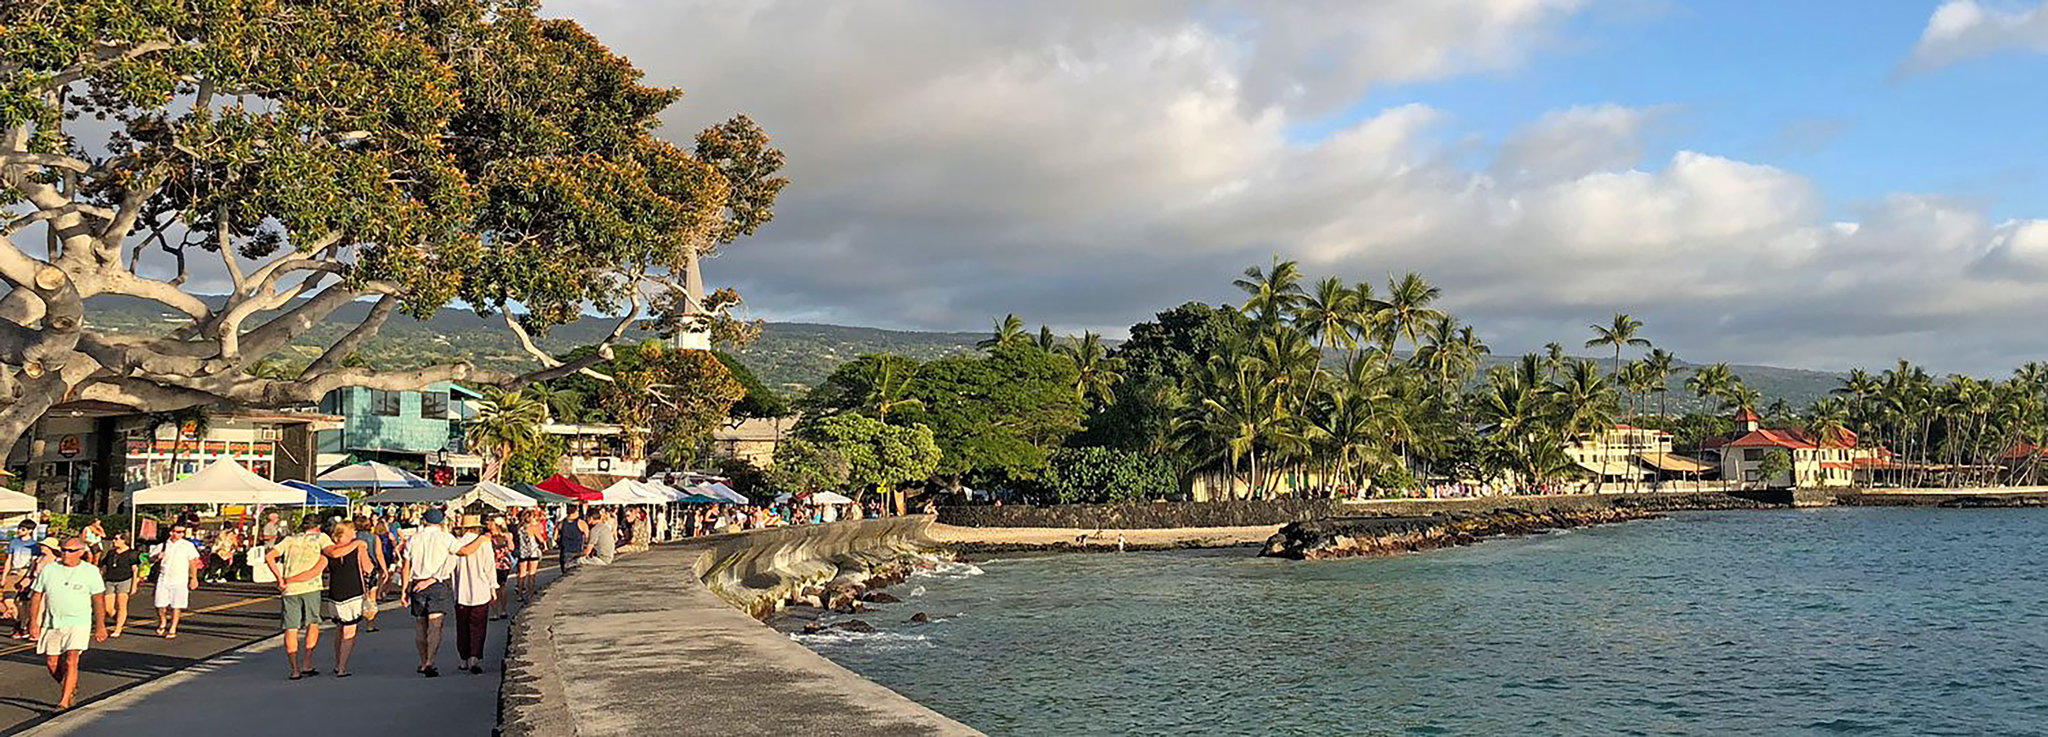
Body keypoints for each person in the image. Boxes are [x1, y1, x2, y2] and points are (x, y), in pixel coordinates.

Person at [28, 537, 106, 710]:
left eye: (70, 551)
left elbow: (98, 599)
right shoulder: (49, 570)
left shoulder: (91, 571)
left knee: (72, 660)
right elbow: (36, 595)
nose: (65, 554)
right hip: (52, 622)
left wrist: (100, 625)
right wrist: (33, 622)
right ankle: (69, 686)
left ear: (81, 552)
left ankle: (63, 702)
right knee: (52, 662)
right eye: (63, 550)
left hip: (79, 622)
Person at [295, 518, 375, 678]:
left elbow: (320, 568)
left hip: (335, 593)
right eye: (352, 531)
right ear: (347, 533)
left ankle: (337, 662)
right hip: (353, 593)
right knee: (349, 631)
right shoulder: (357, 548)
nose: (355, 533)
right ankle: (342, 667)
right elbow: (368, 568)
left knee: (339, 629)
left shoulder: (328, 550)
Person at [399, 507, 458, 677]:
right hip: (438, 583)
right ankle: (431, 661)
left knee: (420, 624)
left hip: (417, 583)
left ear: (424, 521)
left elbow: (406, 565)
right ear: (441, 522)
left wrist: (404, 590)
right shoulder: (447, 538)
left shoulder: (414, 539)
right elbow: (456, 556)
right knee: (435, 625)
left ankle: (423, 660)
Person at [266, 516, 327, 679]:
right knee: (312, 623)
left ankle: (294, 669)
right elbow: (332, 552)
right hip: (311, 586)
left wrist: (280, 578)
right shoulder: (321, 538)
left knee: (291, 628)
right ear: (318, 527)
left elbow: (269, 556)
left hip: (289, 589)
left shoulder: (289, 539)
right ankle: (307, 662)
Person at [449, 515, 496, 674]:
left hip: (461, 591)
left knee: (462, 627)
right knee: (478, 626)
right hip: (480, 589)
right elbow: (489, 567)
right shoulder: (484, 543)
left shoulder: (457, 543)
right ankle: (475, 657)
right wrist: (493, 587)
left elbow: (451, 568)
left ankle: (463, 658)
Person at [153, 524, 200, 639]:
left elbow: (193, 562)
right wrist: (156, 557)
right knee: (159, 604)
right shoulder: (163, 545)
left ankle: (173, 627)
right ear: (171, 532)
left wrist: (194, 578)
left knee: (177, 605)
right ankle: (163, 620)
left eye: (182, 532)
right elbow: (149, 559)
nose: (179, 534)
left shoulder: (187, 546)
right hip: (164, 578)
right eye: (177, 532)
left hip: (180, 579)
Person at [96, 533, 140, 638]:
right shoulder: (111, 553)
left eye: (116, 539)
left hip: (124, 580)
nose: (114, 541)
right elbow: (104, 566)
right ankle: (119, 619)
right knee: (108, 607)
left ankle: (118, 628)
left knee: (121, 605)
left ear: (124, 541)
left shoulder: (131, 554)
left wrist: (134, 585)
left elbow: (135, 570)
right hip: (110, 580)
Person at [352, 514, 387, 633]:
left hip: (356, 569)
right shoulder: (374, 538)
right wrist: (384, 569)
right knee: (372, 597)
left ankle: (353, 623)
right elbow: (379, 554)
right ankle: (370, 624)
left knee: (356, 596)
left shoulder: (353, 538)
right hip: (371, 568)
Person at [514, 509, 546, 600]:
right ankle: (530, 594)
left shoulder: (519, 527)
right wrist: (544, 546)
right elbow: (541, 539)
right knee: (532, 574)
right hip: (533, 551)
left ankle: (520, 595)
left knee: (522, 574)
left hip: (523, 552)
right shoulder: (533, 527)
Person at [488, 518, 514, 620]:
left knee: (493, 589)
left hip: (493, 564)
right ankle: (503, 610)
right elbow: (512, 548)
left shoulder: (488, 537)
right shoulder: (507, 536)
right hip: (504, 564)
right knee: (502, 587)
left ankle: (495, 612)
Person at [556, 508, 589, 575]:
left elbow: (555, 537)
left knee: (565, 573)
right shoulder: (581, 523)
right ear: (576, 511)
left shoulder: (561, 523)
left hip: (565, 551)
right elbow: (587, 536)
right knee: (577, 573)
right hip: (578, 550)